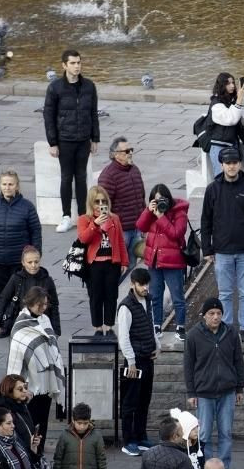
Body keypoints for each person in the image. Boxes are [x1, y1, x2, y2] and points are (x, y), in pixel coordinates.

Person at [201, 147, 244, 340]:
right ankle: (227, 327)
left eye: (235, 162)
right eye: (228, 163)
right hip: (222, 251)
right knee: (225, 294)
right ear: (222, 164)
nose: (231, 166)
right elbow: (206, 221)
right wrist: (207, 248)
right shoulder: (212, 189)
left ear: (239, 164)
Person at [184, 298, 244, 469]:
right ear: (204, 315)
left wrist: (239, 387)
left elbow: (238, 361)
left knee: (226, 432)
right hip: (204, 393)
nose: (216, 317)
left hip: (227, 392)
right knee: (204, 434)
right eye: (211, 313)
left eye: (219, 313)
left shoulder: (231, 333)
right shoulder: (194, 335)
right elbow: (188, 365)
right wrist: (191, 392)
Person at [43, 49, 100, 232]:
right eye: (73, 63)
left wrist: (95, 138)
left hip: (83, 139)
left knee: (82, 178)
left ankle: (84, 216)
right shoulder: (55, 87)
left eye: (79, 62)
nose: (77, 66)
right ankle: (66, 216)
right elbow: (48, 116)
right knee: (66, 178)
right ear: (64, 65)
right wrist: (52, 142)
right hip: (65, 139)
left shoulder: (89, 86)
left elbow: (93, 113)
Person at [7, 287, 65, 442]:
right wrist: (17, 386)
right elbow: (17, 356)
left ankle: (39, 452)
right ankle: (30, 452)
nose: (43, 308)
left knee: (43, 421)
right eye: (40, 305)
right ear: (30, 303)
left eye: (45, 304)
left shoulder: (44, 319)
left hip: (47, 380)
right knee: (30, 422)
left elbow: (52, 345)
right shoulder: (20, 326)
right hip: (30, 383)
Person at [136, 184, 189, 339]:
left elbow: (176, 233)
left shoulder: (179, 212)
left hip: (173, 262)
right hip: (155, 261)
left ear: (169, 198)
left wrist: (161, 217)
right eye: (156, 200)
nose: (160, 203)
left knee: (177, 296)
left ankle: (180, 327)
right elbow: (140, 226)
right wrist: (148, 211)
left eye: (162, 199)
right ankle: (156, 325)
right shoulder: (152, 212)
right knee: (155, 295)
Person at [0, 169, 43, 302]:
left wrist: (35, 255)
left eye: (10, 184)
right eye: (4, 184)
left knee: (22, 297)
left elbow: (36, 231)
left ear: (17, 186)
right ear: (0, 185)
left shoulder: (27, 206)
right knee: (1, 298)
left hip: (19, 261)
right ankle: (1, 322)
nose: (7, 187)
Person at [116, 269, 160, 456]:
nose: (145, 288)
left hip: (147, 358)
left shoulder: (147, 300)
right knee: (130, 402)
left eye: (146, 284)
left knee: (144, 400)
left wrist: (157, 345)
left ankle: (141, 436)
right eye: (141, 284)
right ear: (132, 284)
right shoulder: (126, 307)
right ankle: (128, 441)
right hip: (134, 362)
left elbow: (151, 324)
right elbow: (123, 337)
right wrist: (131, 362)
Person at [77, 187, 129, 335]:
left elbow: (120, 241)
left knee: (111, 295)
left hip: (112, 263)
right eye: (97, 201)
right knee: (95, 296)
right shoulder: (84, 219)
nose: (100, 205)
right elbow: (83, 239)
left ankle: (110, 326)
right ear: (91, 203)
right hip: (94, 265)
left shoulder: (114, 218)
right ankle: (98, 327)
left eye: (103, 201)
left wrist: (124, 261)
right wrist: (95, 225)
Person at [0, 246, 60, 338]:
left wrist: (56, 330)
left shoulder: (47, 280)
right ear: (23, 263)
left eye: (36, 262)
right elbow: (3, 299)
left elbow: (54, 305)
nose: (33, 265)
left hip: (42, 322)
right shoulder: (16, 278)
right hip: (20, 322)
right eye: (29, 262)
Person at [97, 136, 147, 254]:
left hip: (137, 228)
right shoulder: (108, 176)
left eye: (131, 150)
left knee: (131, 263)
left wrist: (145, 223)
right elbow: (102, 205)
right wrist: (108, 230)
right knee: (119, 266)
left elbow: (141, 198)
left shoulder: (135, 170)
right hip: (121, 231)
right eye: (126, 151)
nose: (130, 153)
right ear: (115, 154)